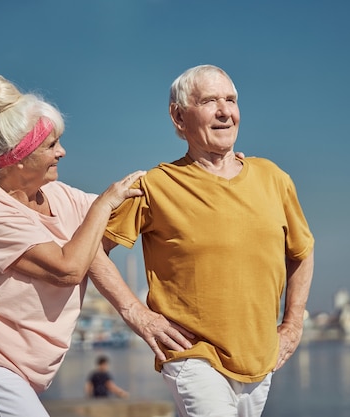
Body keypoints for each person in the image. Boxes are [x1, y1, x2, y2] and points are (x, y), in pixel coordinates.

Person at [101, 64, 315, 417]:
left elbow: (302, 252)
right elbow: (93, 249)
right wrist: (137, 314)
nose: (224, 111)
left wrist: (292, 326)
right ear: (179, 117)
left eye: (230, 100)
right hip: (191, 354)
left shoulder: (273, 178)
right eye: (209, 101)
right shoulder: (155, 185)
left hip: (260, 358)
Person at [0, 74, 153, 417]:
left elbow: (117, 220)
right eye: (52, 145)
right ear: (19, 157)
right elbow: (68, 268)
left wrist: (207, 169)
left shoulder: (59, 195)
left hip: (22, 367)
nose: (62, 152)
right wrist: (101, 206)